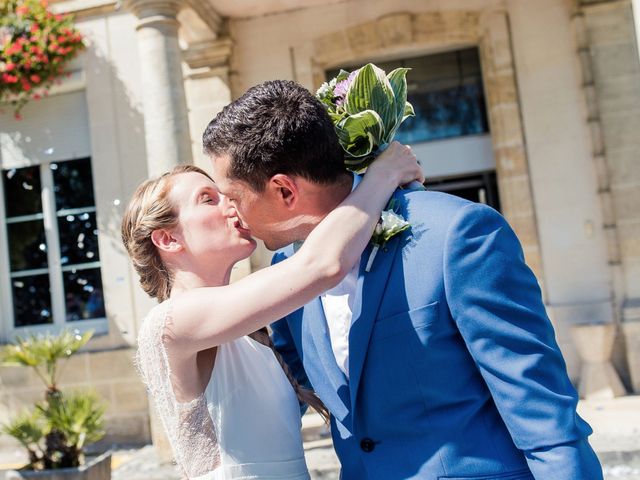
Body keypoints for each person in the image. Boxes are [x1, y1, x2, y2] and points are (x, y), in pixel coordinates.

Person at [202, 79, 604, 480]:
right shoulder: (287, 272)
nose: (230, 213)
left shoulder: (458, 234)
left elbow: (544, 418)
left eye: (232, 197)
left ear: (284, 190)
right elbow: (288, 395)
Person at [122, 144, 422, 479]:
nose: (230, 204)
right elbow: (321, 265)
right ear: (167, 239)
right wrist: (383, 174)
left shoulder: (254, 331)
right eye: (209, 199)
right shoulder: (170, 324)